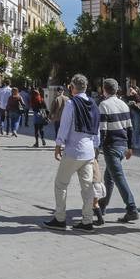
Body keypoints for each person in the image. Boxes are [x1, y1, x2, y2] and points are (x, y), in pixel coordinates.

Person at [43, 74, 98, 231]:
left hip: (73, 150)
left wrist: (58, 144)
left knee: (61, 184)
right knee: (87, 187)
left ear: (73, 87)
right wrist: (95, 146)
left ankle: (60, 218)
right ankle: (87, 221)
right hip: (88, 151)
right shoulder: (93, 104)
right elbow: (97, 128)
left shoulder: (72, 104)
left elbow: (64, 126)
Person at [95, 78, 139, 225]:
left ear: (104, 89)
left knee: (118, 177)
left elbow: (103, 129)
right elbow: (130, 127)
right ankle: (102, 206)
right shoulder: (123, 104)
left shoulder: (104, 105)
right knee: (110, 177)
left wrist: (98, 147)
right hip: (122, 145)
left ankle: (131, 208)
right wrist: (130, 146)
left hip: (111, 146)